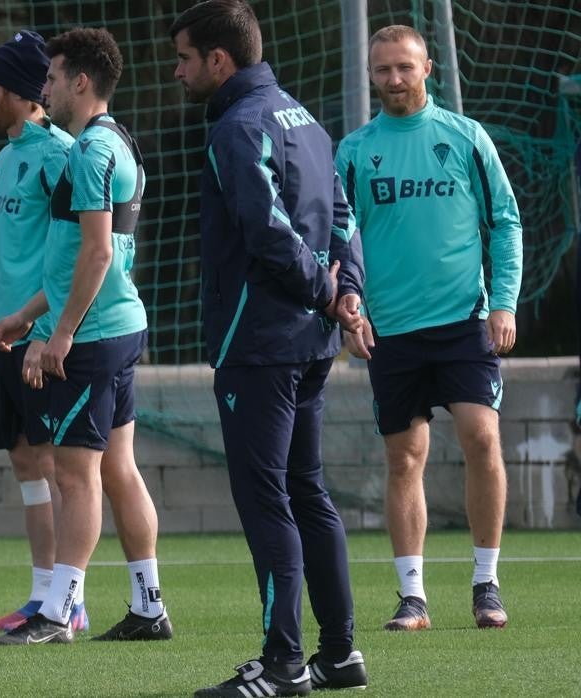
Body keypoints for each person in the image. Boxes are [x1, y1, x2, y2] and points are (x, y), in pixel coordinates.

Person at [169, 1, 368, 694]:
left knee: (268, 500)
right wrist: (348, 298)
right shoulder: (303, 117)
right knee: (307, 491)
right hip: (309, 344)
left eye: (186, 59)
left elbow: (267, 229)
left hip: (260, 343)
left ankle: (284, 663)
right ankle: (340, 654)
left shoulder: (238, 125)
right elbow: (344, 216)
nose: (179, 71)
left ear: (219, 61)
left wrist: (323, 289)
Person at [0, 26, 174, 647]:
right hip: (122, 323)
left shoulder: (90, 151)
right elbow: (78, 258)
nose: (47, 87)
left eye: (54, 76)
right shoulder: (118, 141)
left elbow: (94, 256)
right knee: (119, 469)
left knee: (75, 476)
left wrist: (58, 334)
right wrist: (22, 317)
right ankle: (149, 605)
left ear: (80, 81)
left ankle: (57, 611)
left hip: (92, 334)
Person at [336, 24, 523, 632]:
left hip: (464, 322)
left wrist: (504, 302)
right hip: (390, 330)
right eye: (383, 69)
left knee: (481, 439)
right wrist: (349, 306)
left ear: (428, 69)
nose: (393, 79)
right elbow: (340, 240)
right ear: (371, 74)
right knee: (404, 457)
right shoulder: (356, 152)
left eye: (404, 68)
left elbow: (506, 223)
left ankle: (486, 584)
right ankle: (412, 596)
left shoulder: (466, 139)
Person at [0, 30, 89, 635]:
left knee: (56, 463)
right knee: (24, 460)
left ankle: (69, 596)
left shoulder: (60, 156)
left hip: (41, 339)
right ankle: (41, 595)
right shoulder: (5, 157)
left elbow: (75, 255)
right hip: (6, 338)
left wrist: (45, 328)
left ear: (17, 91)